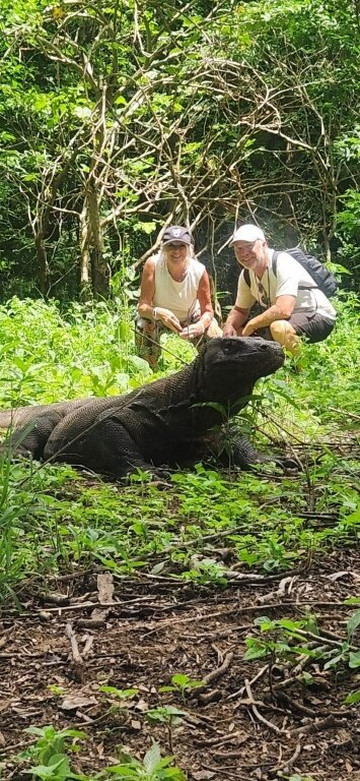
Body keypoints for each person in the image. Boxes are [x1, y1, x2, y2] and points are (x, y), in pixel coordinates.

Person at [223, 224, 336, 355]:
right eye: (239, 249)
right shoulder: (246, 275)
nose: (244, 253)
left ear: (264, 244)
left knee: (278, 328)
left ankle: (301, 371)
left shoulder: (282, 262)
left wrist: (253, 324)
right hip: (286, 320)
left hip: (317, 315)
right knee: (236, 336)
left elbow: (284, 309)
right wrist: (229, 326)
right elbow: (240, 310)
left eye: (249, 246)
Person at [136, 225, 222, 368]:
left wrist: (200, 325)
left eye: (181, 246)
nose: (176, 251)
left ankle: (211, 369)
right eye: (171, 246)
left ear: (189, 248)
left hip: (190, 315)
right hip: (160, 316)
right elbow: (142, 306)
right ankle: (148, 368)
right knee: (144, 323)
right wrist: (158, 312)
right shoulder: (153, 265)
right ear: (163, 248)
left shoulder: (199, 270)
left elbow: (207, 310)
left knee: (214, 332)